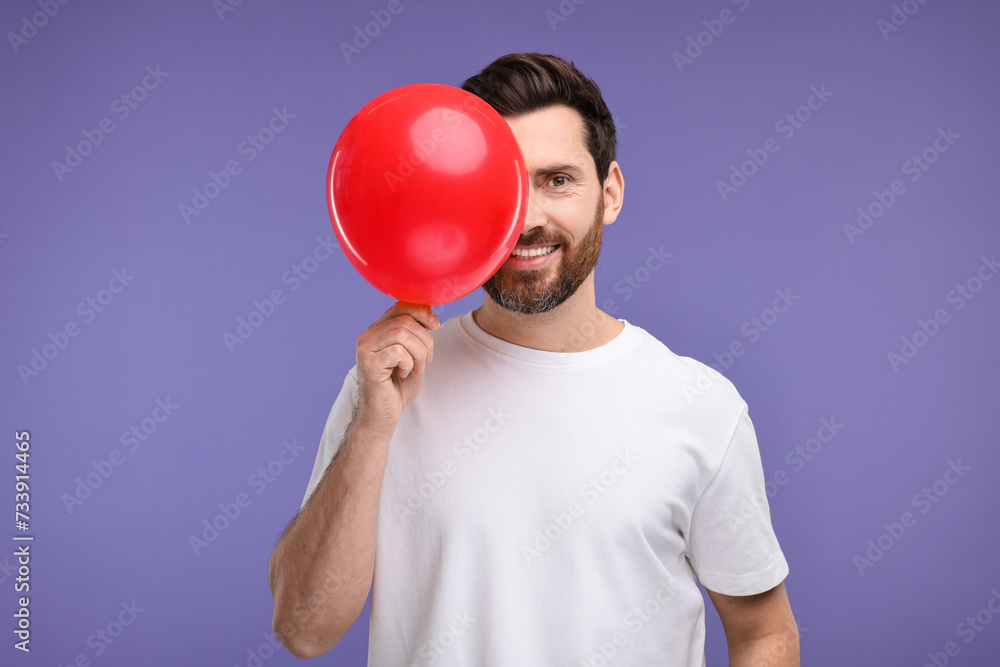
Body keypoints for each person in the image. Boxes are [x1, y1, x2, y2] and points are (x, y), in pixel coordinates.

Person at [269, 52, 799, 666]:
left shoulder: (701, 408)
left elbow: (764, 632)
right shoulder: (387, 388)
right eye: (502, 186)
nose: (526, 219)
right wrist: (372, 425)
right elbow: (303, 630)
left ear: (610, 193)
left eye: (557, 180)